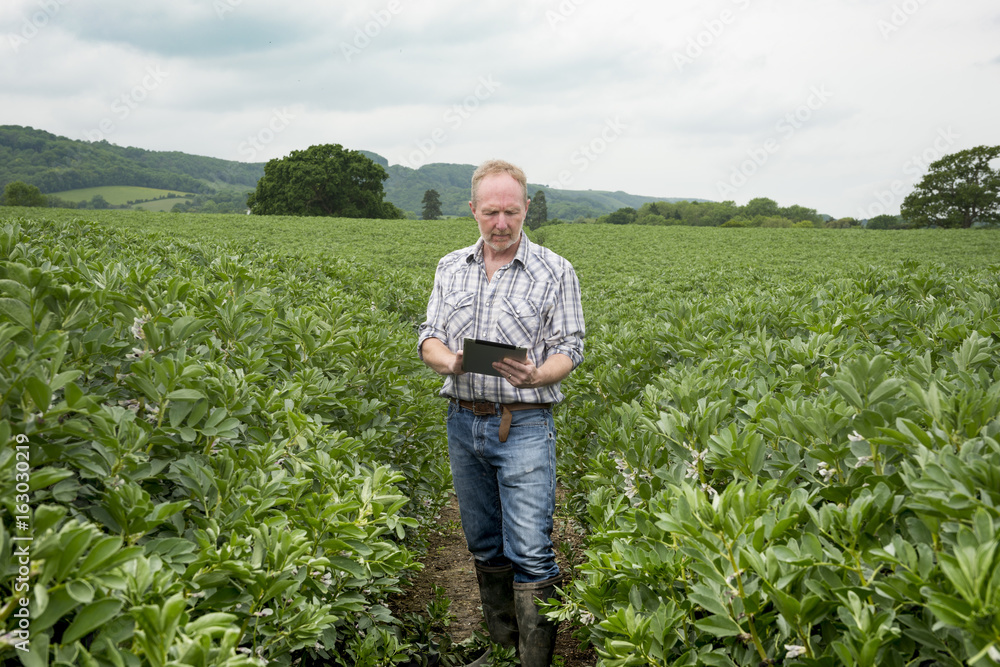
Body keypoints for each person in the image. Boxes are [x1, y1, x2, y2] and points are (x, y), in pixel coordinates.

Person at [418, 159, 585, 666]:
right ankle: (503, 649)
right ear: (472, 210)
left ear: (526, 208)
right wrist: (449, 361)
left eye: (511, 212)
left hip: (525, 423)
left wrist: (538, 375)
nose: (501, 223)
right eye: (491, 212)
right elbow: (428, 337)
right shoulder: (450, 267)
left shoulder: (555, 270)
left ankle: (534, 661)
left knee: (531, 548)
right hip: (463, 419)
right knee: (485, 543)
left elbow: (571, 348)